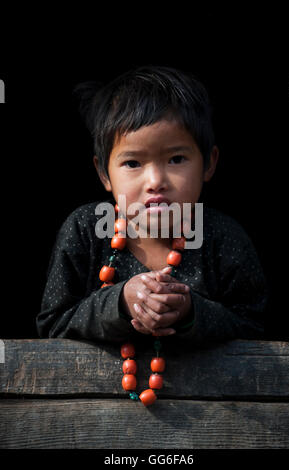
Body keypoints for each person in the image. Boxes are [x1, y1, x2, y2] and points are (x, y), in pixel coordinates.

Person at [36, 65, 267, 347]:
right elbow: (52, 325)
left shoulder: (223, 239)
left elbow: (256, 328)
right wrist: (119, 302)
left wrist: (192, 312)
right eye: (133, 163)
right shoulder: (86, 230)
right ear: (104, 174)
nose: (156, 181)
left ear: (209, 163)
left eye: (176, 159)